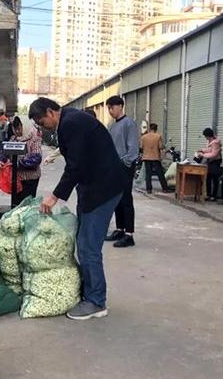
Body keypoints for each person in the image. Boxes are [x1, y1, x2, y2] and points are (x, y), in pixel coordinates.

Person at [28, 98, 126, 321]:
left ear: (51, 112)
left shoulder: (71, 123)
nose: (43, 126)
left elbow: (75, 166)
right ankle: (89, 292)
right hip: (94, 186)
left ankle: (96, 301)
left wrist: (54, 196)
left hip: (104, 188)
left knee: (88, 246)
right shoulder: (70, 120)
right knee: (84, 241)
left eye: (42, 121)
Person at [104, 96, 140, 248]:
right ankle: (120, 229)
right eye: (109, 108)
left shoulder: (129, 124)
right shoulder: (112, 126)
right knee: (116, 199)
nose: (110, 111)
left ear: (120, 106)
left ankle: (129, 234)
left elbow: (133, 150)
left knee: (126, 199)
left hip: (125, 166)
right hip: (114, 167)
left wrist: (124, 163)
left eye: (112, 107)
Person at [0, 116, 42, 206]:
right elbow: (4, 151)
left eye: (19, 128)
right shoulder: (14, 138)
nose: (17, 131)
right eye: (15, 129)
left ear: (24, 126)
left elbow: (36, 158)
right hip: (16, 179)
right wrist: (0, 160)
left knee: (27, 206)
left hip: (30, 179)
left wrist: (17, 163)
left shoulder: (35, 136)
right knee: (16, 206)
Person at [141, 123, 171, 194]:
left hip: (146, 157)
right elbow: (161, 147)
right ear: (156, 129)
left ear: (149, 128)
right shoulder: (158, 136)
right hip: (155, 157)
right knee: (160, 173)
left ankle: (149, 189)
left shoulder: (144, 137)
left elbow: (141, 147)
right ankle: (165, 188)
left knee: (148, 174)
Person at [196, 127, 223, 201]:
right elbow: (209, 150)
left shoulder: (216, 142)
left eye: (205, 136)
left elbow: (214, 154)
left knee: (215, 178)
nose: (205, 138)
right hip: (210, 161)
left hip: (215, 161)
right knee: (208, 177)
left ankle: (214, 196)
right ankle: (208, 194)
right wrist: (202, 150)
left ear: (208, 136)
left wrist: (203, 155)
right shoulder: (210, 141)